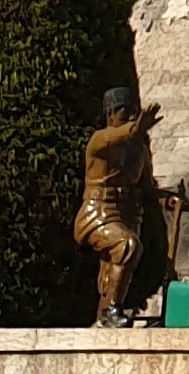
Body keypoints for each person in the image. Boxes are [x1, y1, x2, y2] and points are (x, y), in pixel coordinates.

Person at [75, 86, 182, 324]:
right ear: (110, 115)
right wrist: (135, 129)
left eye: (135, 113)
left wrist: (169, 199)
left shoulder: (139, 150)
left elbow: (147, 189)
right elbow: (117, 135)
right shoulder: (100, 141)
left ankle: (106, 312)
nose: (132, 118)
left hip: (128, 215)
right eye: (125, 113)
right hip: (98, 212)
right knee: (127, 245)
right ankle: (111, 311)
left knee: (110, 273)